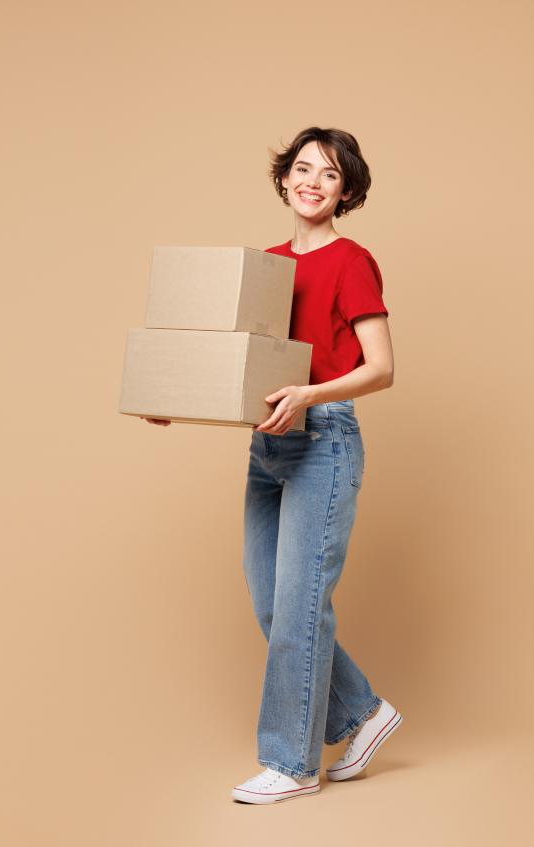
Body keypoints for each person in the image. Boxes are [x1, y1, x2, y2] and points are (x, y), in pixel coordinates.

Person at [145, 126, 402, 804]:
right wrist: (178, 394)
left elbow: (381, 369)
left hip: (324, 440)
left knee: (298, 608)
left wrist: (312, 393)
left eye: (330, 174)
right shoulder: (267, 266)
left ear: (346, 191)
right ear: (284, 179)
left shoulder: (351, 260)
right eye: (303, 169)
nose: (313, 181)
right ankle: (363, 714)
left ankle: (292, 762)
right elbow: (243, 361)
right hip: (269, 446)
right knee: (274, 603)